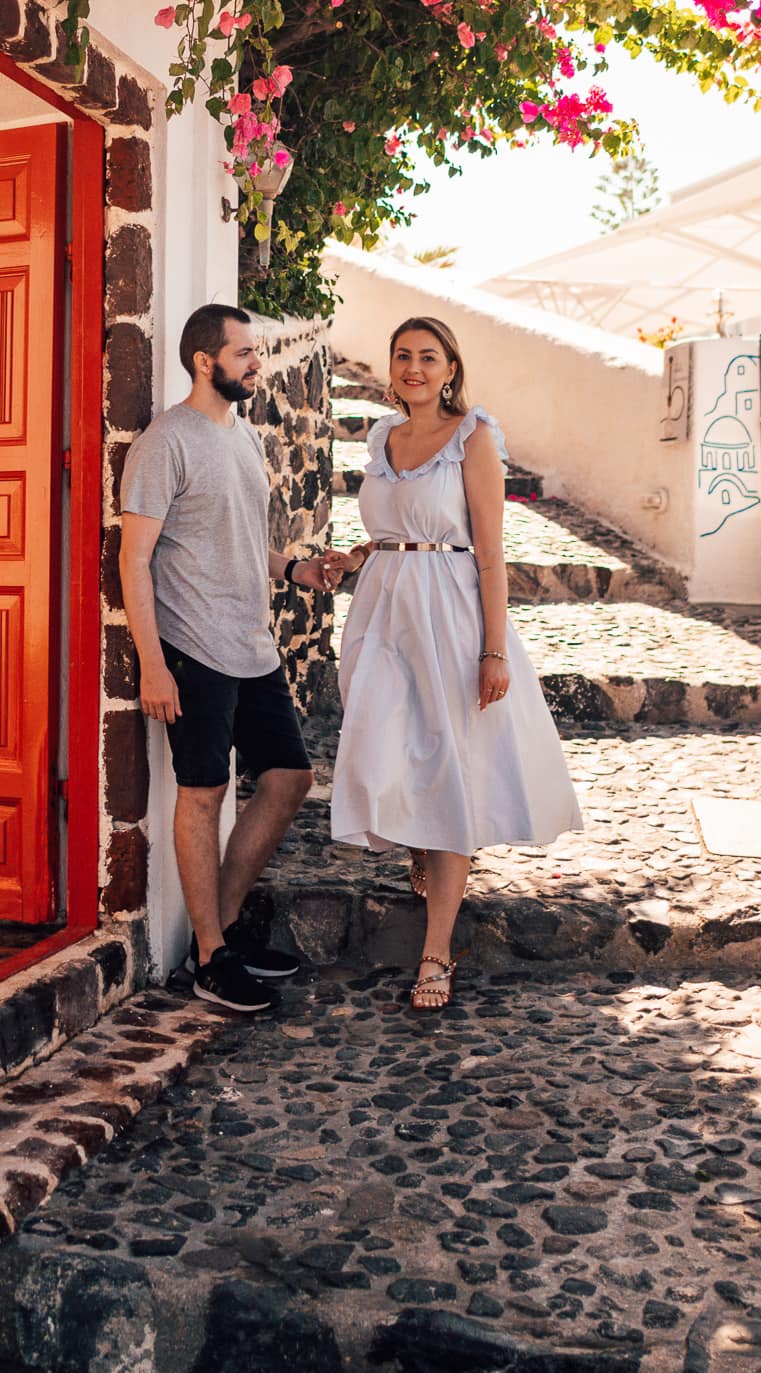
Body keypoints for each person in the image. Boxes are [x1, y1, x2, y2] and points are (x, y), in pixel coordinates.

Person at [324, 316, 582, 1011]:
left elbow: (490, 553)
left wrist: (492, 649)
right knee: (380, 738)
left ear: (449, 368)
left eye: (427, 358)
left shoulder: (473, 437)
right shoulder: (382, 436)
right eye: (402, 355)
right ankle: (417, 841)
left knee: (448, 767)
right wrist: (352, 558)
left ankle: (436, 949)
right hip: (380, 611)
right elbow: (388, 529)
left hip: (448, 611)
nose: (413, 367)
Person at [119, 304, 334, 1014]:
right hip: (192, 648)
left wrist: (294, 570)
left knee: (288, 779)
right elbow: (136, 557)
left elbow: (237, 540)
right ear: (203, 360)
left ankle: (226, 926)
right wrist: (152, 663)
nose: (256, 363)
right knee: (203, 793)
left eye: (256, 352)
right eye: (243, 352)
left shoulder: (241, 437)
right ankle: (210, 959)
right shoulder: (164, 442)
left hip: (251, 644)